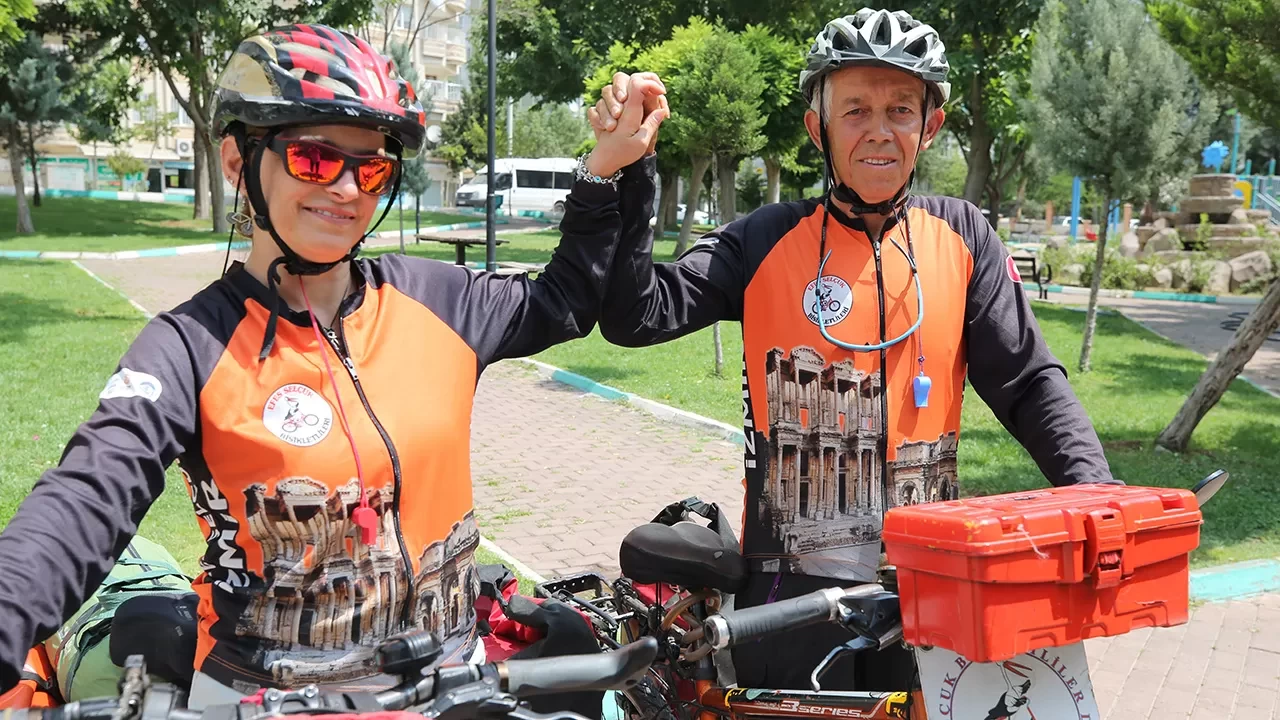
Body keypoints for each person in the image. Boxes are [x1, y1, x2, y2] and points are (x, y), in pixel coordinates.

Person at [0, 24, 669, 707]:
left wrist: (605, 168)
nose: (348, 189)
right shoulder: (188, 346)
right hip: (261, 699)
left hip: (452, 685)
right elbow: (85, 499)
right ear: (237, 161)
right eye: (314, 159)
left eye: (371, 168)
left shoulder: (436, 300)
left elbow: (565, 301)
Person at [588, 8, 1117, 692]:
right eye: (856, 110)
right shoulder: (763, 238)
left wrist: (1100, 495)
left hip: (927, 583)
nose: (879, 130)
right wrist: (633, 173)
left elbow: (1028, 382)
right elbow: (636, 315)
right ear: (819, 129)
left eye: (900, 109)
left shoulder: (963, 237)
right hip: (787, 592)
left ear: (930, 126)